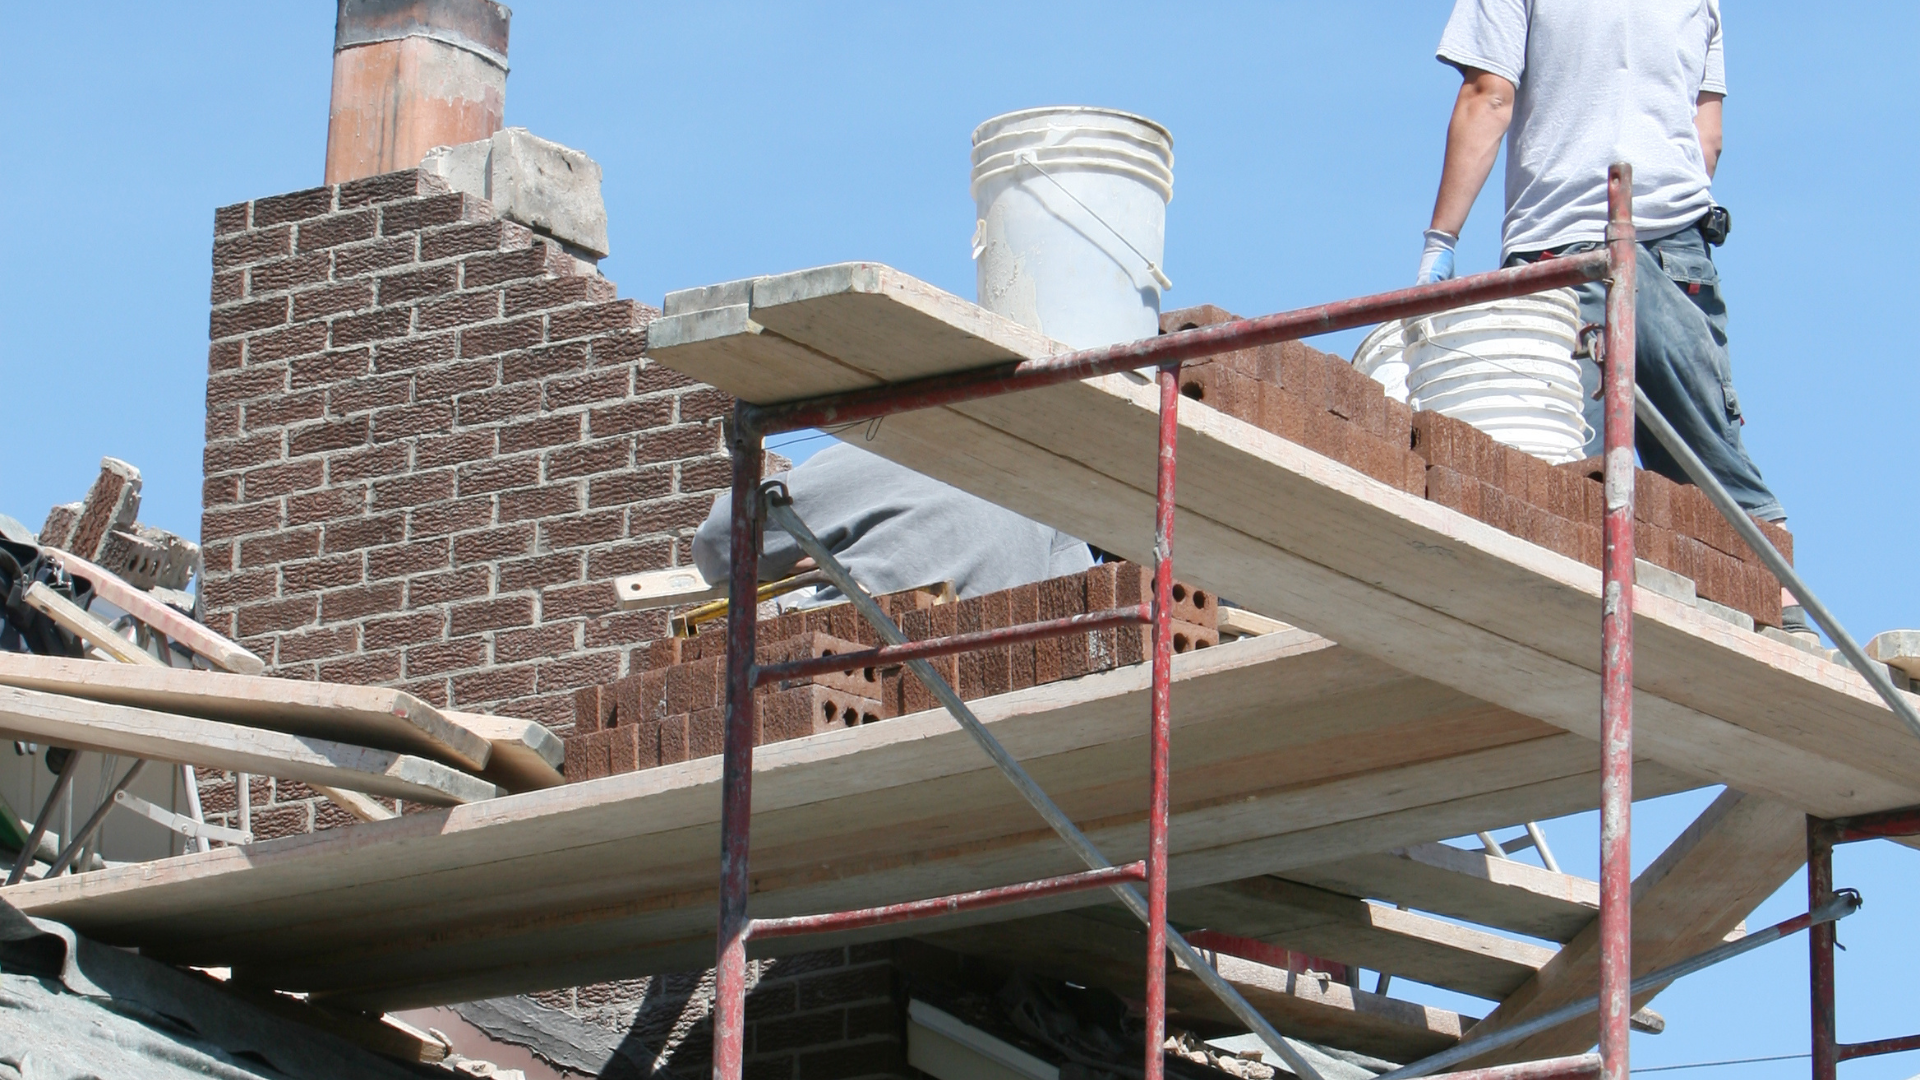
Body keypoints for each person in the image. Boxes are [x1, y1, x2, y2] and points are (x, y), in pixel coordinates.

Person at [1415, 0, 1786, 525]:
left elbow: (1488, 97)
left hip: (1565, 250)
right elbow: (1708, 137)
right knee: (1716, 495)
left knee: (1564, 479)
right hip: (1680, 248)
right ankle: (1778, 596)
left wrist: (1441, 242)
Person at [693, 442, 1093, 607]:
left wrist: (801, 557)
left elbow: (719, 543)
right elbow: (1080, 608)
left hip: (863, 682)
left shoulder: (873, 458)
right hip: (1002, 700)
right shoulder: (1049, 498)